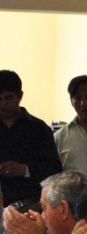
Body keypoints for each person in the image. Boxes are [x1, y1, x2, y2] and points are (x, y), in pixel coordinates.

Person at [0, 70, 62, 207]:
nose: (3, 104)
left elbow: (54, 169)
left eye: (8, 98)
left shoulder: (39, 128)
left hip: (31, 204)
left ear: (20, 96)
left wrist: (25, 169)